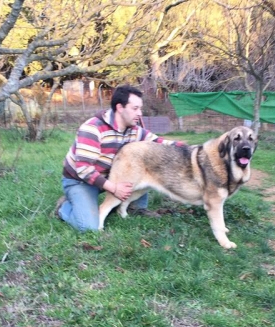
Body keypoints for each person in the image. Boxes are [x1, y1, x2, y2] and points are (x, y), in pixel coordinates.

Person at [56, 85, 182, 232]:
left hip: (108, 176)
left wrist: (186, 149)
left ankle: (135, 208)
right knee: (89, 227)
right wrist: (114, 189)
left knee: (143, 158)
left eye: (140, 108)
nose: (140, 113)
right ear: (120, 108)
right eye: (135, 109)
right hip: (80, 180)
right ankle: (63, 207)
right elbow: (84, 169)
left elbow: (157, 143)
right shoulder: (92, 128)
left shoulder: (134, 130)